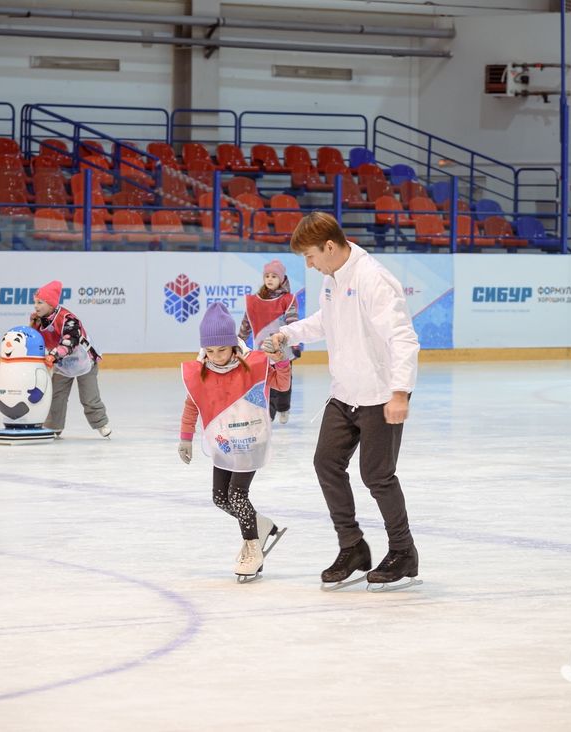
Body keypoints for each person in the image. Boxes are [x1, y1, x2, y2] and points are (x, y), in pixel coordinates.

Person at [266, 212, 421, 591]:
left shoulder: (373, 279)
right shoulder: (333, 279)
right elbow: (325, 321)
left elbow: (403, 338)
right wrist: (287, 333)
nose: (309, 265)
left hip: (381, 394)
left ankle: (403, 552)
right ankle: (352, 546)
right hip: (345, 393)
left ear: (330, 247)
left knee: (377, 475)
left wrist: (399, 392)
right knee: (326, 463)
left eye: (310, 256)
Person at [178, 303, 286, 583]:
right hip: (225, 442)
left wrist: (282, 361)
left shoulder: (253, 366)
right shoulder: (202, 370)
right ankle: (259, 524)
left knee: (238, 496)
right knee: (220, 497)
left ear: (234, 346)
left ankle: (252, 547)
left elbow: (282, 385)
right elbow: (192, 405)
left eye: (222, 350)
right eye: (210, 351)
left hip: (251, 440)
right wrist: (185, 437)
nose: (216, 357)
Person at [29, 280, 112, 438]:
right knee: (56, 396)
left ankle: (101, 424)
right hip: (63, 363)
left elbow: (69, 341)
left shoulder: (68, 319)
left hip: (84, 360)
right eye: (35, 302)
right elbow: (35, 338)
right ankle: (53, 427)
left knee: (89, 396)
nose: (36, 306)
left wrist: (53, 355)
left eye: (40, 302)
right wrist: (32, 327)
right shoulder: (39, 320)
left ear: (51, 304)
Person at [239, 259, 300, 424]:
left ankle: (284, 408)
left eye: (274, 276)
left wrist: (295, 344)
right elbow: (246, 323)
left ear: (281, 279)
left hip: (283, 350)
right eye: (267, 276)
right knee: (268, 383)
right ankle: (268, 416)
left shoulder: (288, 299)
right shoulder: (254, 301)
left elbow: (293, 322)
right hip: (262, 350)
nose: (270, 279)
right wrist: (239, 341)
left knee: (284, 384)